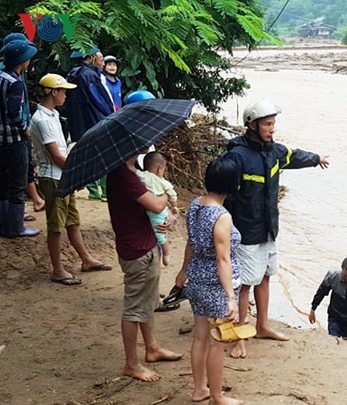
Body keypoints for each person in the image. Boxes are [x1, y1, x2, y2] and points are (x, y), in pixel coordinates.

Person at [224, 99, 329, 359]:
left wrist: (316, 159)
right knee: (245, 284)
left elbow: (293, 156)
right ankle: (239, 336)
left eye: (273, 124)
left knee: (265, 277)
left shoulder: (274, 152)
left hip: (269, 229)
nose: (272, 129)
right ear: (252, 125)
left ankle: (262, 326)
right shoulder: (237, 156)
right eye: (268, 124)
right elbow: (226, 195)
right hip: (246, 231)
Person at [175, 157, 247, 405]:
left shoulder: (196, 205)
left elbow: (191, 242)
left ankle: (200, 389)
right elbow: (223, 258)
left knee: (200, 336)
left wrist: (183, 270)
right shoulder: (222, 216)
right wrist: (230, 296)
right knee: (218, 341)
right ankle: (217, 396)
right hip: (214, 285)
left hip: (196, 279)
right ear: (232, 184)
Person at [30, 73, 113, 285]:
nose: (66, 95)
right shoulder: (42, 120)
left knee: (72, 221)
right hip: (54, 177)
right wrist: (76, 173)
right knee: (56, 226)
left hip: (61, 176)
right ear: (53, 92)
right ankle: (57, 269)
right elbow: (56, 156)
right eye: (63, 91)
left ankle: (86, 259)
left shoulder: (53, 116)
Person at [106, 151, 183, 382]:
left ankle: (152, 347)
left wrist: (167, 213)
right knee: (133, 307)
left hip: (146, 243)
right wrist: (165, 199)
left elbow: (154, 210)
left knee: (148, 301)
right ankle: (131, 364)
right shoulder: (123, 175)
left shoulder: (135, 173)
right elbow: (156, 204)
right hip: (136, 249)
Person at [0, 33, 46, 217]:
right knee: (18, 180)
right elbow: (13, 111)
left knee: (5, 179)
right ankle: (15, 226)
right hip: (15, 136)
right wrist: (24, 127)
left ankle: (6, 223)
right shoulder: (14, 81)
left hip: (1, 135)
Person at [65, 47, 113, 201]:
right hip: (94, 119)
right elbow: (98, 100)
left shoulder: (73, 74)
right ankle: (106, 190)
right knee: (105, 153)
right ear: (91, 58)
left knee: (87, 153)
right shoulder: (90, 75)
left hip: (78, 123)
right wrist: (110, 115)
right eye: (100, 60)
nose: (103, 63)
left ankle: (93, 190)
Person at [136, 151, 178, 266]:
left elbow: (134, 172)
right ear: (160, 168)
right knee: (161, 232)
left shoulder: (143, 176)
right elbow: (172, 194)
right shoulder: (164, 182)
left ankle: (165, 252)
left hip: (153, 211)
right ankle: (166, 252)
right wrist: (174, 206)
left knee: (159, 232)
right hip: (162, 212)